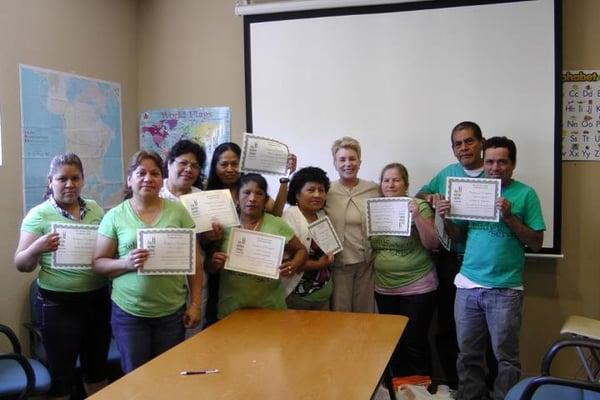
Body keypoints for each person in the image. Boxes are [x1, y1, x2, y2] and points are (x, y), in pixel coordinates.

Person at [437, 136, 545, 400]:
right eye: (490, 162)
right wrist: (445, 216)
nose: (495, 168)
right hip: (468, 287)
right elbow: (457, 236)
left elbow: (537, 244)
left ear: (513, 164)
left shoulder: (525, 194)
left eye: (502, 162)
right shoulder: (472, 189)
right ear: (483, 163)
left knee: (506, 358)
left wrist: (509, 218)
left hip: (505, 289)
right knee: (468, 355)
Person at [92, 150, 203, 374]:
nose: (148, 178)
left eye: (154, 173)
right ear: (129, 179)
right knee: (136, 377)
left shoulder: (178, 212)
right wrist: (126, 263)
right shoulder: (114, 216)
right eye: (141, 173)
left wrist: (195, 304)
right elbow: (98, 263)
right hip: (129, 315)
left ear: (161, 179)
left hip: (171, 312)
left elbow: (195, 263)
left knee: (169, 375)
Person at [14, 153, 110, 399]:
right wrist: (37, 247)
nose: (70, 184)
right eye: (62, 179)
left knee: (97, 370)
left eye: (75, 178)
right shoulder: (39, 215)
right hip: (58, 305)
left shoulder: (97, 209)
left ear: (83, 180)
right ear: (50, 181)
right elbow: (21, 264)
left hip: (97, 300)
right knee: (61, 375)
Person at [416, 121, 485, 388]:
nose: (464, 148)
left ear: (482, 142)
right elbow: (422, 193)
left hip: (481, 262)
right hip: (449, 262)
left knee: (482, 331)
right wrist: (432, 198)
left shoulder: (492, 172)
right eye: (458, 143)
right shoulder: (448, 173)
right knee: (448, 327)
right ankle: (455, 386)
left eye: (469, 141)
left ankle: (483, 388)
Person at [203, 142, 297, 325]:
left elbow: (276, 212)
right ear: (215, 166)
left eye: (235, 163)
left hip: (249, 271)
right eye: (223, 164)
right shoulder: (206, 193)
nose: (230, 169)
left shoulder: (250, 188)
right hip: (215, 267)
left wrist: (286, 178)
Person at [371, 163, 439, 377]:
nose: (391, 184)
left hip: (417, 286)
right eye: (386, 180)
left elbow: (432, 243)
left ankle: (421, 392)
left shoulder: (418, 205)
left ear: (406, 184)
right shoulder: (374, 208)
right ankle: (400, 390)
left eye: (396, 180)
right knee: (393, 343)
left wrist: (417, 216)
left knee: (415, 341)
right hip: (383, 287)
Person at [208, 173, 307, 320]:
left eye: (259, 193)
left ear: (266, 199)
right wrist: (214, 263)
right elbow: (209, 267)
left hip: (270, 306)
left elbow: (301, 250)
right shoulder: (225, 225)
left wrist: (293, 264)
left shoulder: (276, 224)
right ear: (237, 197)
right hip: (231, 308)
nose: (252, 199)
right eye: (247, 192)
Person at [325, 136, 379, 312]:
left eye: (352, 158)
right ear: (334, 163)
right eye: (342, 159)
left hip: (366, 266)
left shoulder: (374, 189)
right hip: (339, 267)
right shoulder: (326, 191)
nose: (348, 163)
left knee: (365, 316)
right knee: (340, 317)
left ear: (360, 161)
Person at [160, 139, 209, 330]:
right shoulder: (154, 192)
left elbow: (204, 241)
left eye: (195, 166)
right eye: (183, 163)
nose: (189, 169)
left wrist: (211, 237)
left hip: (195, 281)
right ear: (169, 163)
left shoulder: (202, 198)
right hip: (160, 281)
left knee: (192, 340)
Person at [282, 167, 334, 310]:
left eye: (321, 190)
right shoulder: (288, 217)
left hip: (323, 295)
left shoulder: (322, 215)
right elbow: (286, 264)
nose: (317, 195)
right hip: (298, 297)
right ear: (297, 194)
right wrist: (319, 264)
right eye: (311, 190)